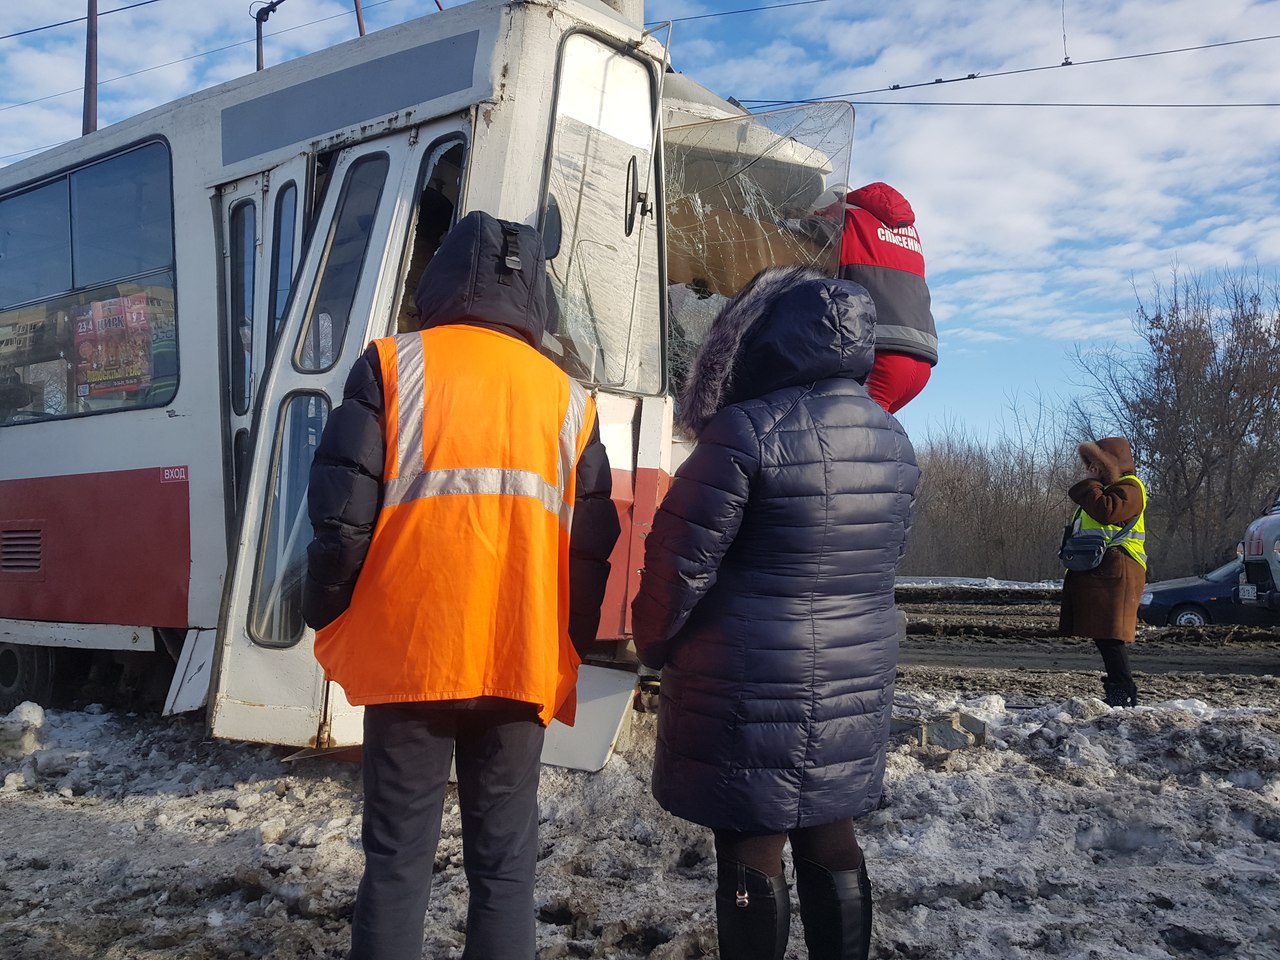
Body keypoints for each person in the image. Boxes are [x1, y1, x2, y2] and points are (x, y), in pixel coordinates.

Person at [302, 210, 620, 960]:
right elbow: (590, 548)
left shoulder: (391, 365)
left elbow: (340, 516)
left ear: (441, 279)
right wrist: (566, 645)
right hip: (519, 660)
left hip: (414, 654)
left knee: (397, 859)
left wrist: (326, 608)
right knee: (505, 866)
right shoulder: (571, 400)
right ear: (535, 296)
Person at [631, 265, 920, 960]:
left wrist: (652, 642)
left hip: (749, 673)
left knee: (750, 833)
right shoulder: (892, 439)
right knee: (829, 825)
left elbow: (678, 563)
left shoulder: (743, 432)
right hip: (854, 668)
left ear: (771, 338)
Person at [800, 181, 938, 414]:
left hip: (879, 355)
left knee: (841, 437)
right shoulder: (905, 229)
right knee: (869, 437)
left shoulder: (847, 217)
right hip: (922, 359)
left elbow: (796, 233)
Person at [1058, 436, 1148, 707]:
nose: (1092, 469)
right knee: (1105, 635)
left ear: (1113, 464)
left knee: (1111, 636)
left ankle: (1122, 695)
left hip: (1118, 571)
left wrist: (1092, 484)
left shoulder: (1131, 488)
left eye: (1098, 464)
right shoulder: (1110, 488)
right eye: (1091, 464)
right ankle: (1119, 694)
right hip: (1104, 572)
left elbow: (1105, 512)